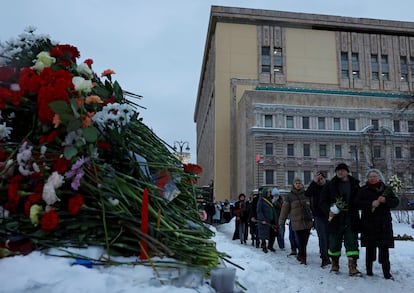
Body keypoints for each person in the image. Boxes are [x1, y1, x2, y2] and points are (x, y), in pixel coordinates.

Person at [354, 169, 399, 280]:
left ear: (379, 178)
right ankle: (369, 270)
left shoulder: (387, 190)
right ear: (367, 178)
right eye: (370, 176)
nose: (372, 178)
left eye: (374, 176)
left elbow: (395, 202)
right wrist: (370, 204)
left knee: (384, 249)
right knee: (370, 249)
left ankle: (386, 272)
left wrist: (385, 200)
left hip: (383, 225)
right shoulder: (363, 190)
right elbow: (356, 203)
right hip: (368, 224)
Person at [320, 163, 361, 276]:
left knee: (352, 241)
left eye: (342, 170)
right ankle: (335, 264)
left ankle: (352, 266)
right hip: (335, 218)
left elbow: (360, 200)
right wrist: (329, 210)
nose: (340, 172)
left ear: (347, 172)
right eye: (338, 170)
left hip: (351, 217)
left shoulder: (355, 184)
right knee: (334, 242)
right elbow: (322, 201)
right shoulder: (330, 185)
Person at [279, 178, 313, 265]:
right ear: (293, 184)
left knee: (305, 241)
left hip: (307, 221)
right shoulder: (289, 196)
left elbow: (312, 206)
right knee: (300, 240)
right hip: (296, 222)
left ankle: (301, 254)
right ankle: (303, 257)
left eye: (299, 183)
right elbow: (284, 210)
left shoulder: (306, 194)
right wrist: (281, 222)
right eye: (296, 183)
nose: (298, 184)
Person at [305, 171, 331, 268]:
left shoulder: (329, 185)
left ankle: (328, 254)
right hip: (318, 216)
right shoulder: (314, 186)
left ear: (324, 178)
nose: (319, 181)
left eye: (321, 178)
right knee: (322, 237)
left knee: (329, 237)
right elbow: (307, 194)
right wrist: (313, 182)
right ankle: (325, 258)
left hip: (329, 215)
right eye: (318, 179)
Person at [256, 187, 277, 253]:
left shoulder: (270, 199)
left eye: (269, 192)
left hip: (271, 219)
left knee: (272, 234)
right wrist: (262, 219)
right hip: (264, 220)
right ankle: (264, 246)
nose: (269, 193)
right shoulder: (261, 200)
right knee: (264, 234)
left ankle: (270, 246)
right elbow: (259, 211)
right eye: (268, 192)